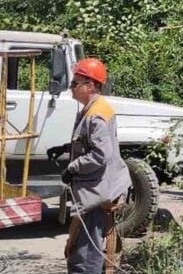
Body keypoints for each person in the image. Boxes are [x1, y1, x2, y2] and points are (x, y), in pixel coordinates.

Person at [47, 58, 131, 274]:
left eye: (75, 83)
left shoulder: (97, 115)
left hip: (97, 193)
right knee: (82, 247)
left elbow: (100, 154)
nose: (71, 88)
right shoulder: (93, 109)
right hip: (96, 188)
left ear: (91, 85)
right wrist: (66, 148)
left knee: (85, 255)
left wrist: (73, 168)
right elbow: (90, 143)